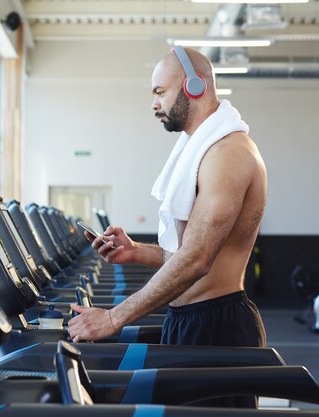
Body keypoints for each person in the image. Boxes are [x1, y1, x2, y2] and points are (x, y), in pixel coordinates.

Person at [67, 47, 267, 408]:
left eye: (160, 91)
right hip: (189, 321)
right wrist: (136, 252)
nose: (154, 103)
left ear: (193, 85)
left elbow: (197, 258)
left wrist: (113, 318)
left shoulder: (228, 154)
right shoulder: (203, 150)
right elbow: (189, 249)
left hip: (216, 327)